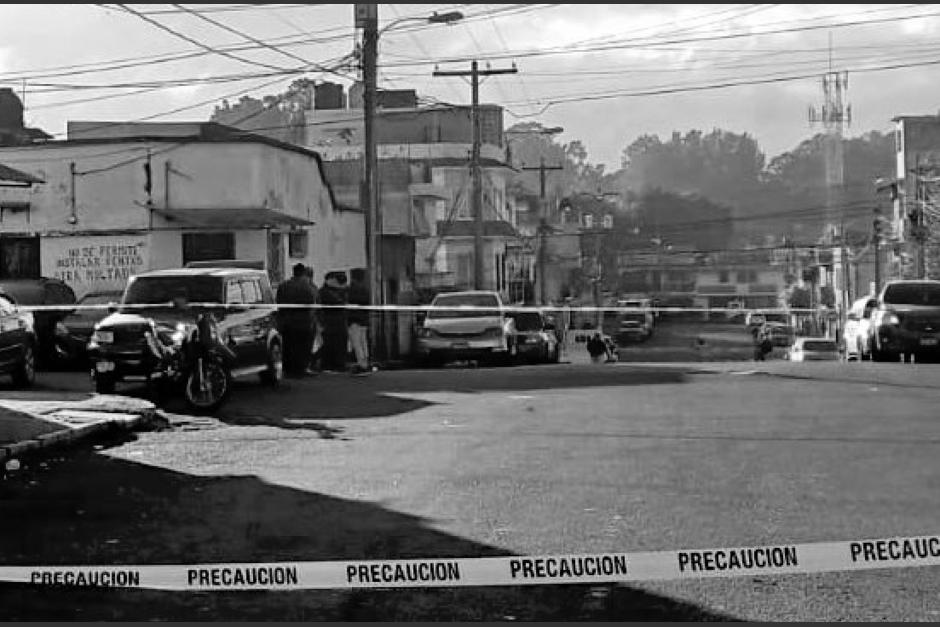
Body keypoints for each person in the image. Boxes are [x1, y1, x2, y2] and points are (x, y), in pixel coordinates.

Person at [276, 263, 316, 377]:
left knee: (288, 346)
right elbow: (311, 302)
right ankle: (299, 369)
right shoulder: (307, 287)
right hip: (303, 322)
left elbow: (278, 301)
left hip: (286, 321)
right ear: (303, 273)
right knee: (302, 347)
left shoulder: (283, 285)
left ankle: (288, 369)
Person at [318, 270, 349, 373]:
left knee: (340, 343)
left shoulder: (340, 291)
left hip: (339, 322)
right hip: (329, 323)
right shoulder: (324, 292)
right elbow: (338, 302)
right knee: (330, 343)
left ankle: (339, 364)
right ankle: (329, 364)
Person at [347, 267, 371, 375]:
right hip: (364, 319)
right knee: (363, 342)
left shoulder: (352, 289)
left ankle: (361, 365)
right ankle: (366, 362)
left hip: (354, 319)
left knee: (356, 343)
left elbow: (347, 301)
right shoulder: (365, 289)